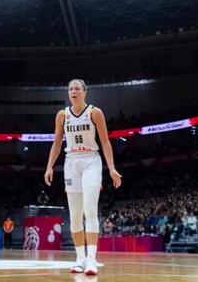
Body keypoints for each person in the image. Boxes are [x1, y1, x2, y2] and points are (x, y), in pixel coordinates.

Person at [44, 79, 122, 276]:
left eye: (77, 88)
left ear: (84, 92)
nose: (73, 91)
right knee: (75, 215)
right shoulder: (62, 115)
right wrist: (49, 166)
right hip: (71, 162)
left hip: (91, 160)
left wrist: (112, 168)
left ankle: (91, 259)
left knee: (90, 210)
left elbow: (105, 142)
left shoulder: (95, 112)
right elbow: (56, 143)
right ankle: (80, 258)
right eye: (70, 89)